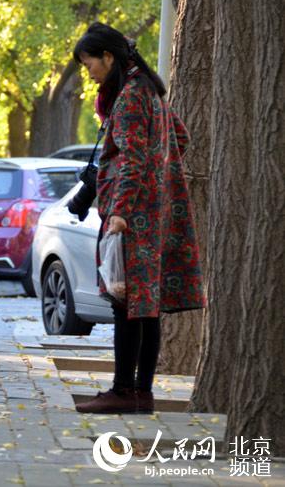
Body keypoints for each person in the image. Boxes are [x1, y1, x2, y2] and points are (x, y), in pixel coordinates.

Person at [70, 22, 205, 414]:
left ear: (108, 57)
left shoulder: (129, 96)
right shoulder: (151, 91)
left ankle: (121, 392)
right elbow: (179, 138)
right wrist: (161, 181)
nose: (89, 71)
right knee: (145, 305)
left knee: (124, 301)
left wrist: (121, 210)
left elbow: (132, 157)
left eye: (89, 63)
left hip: (131, 218)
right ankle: (140, 393)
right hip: (156, 215)